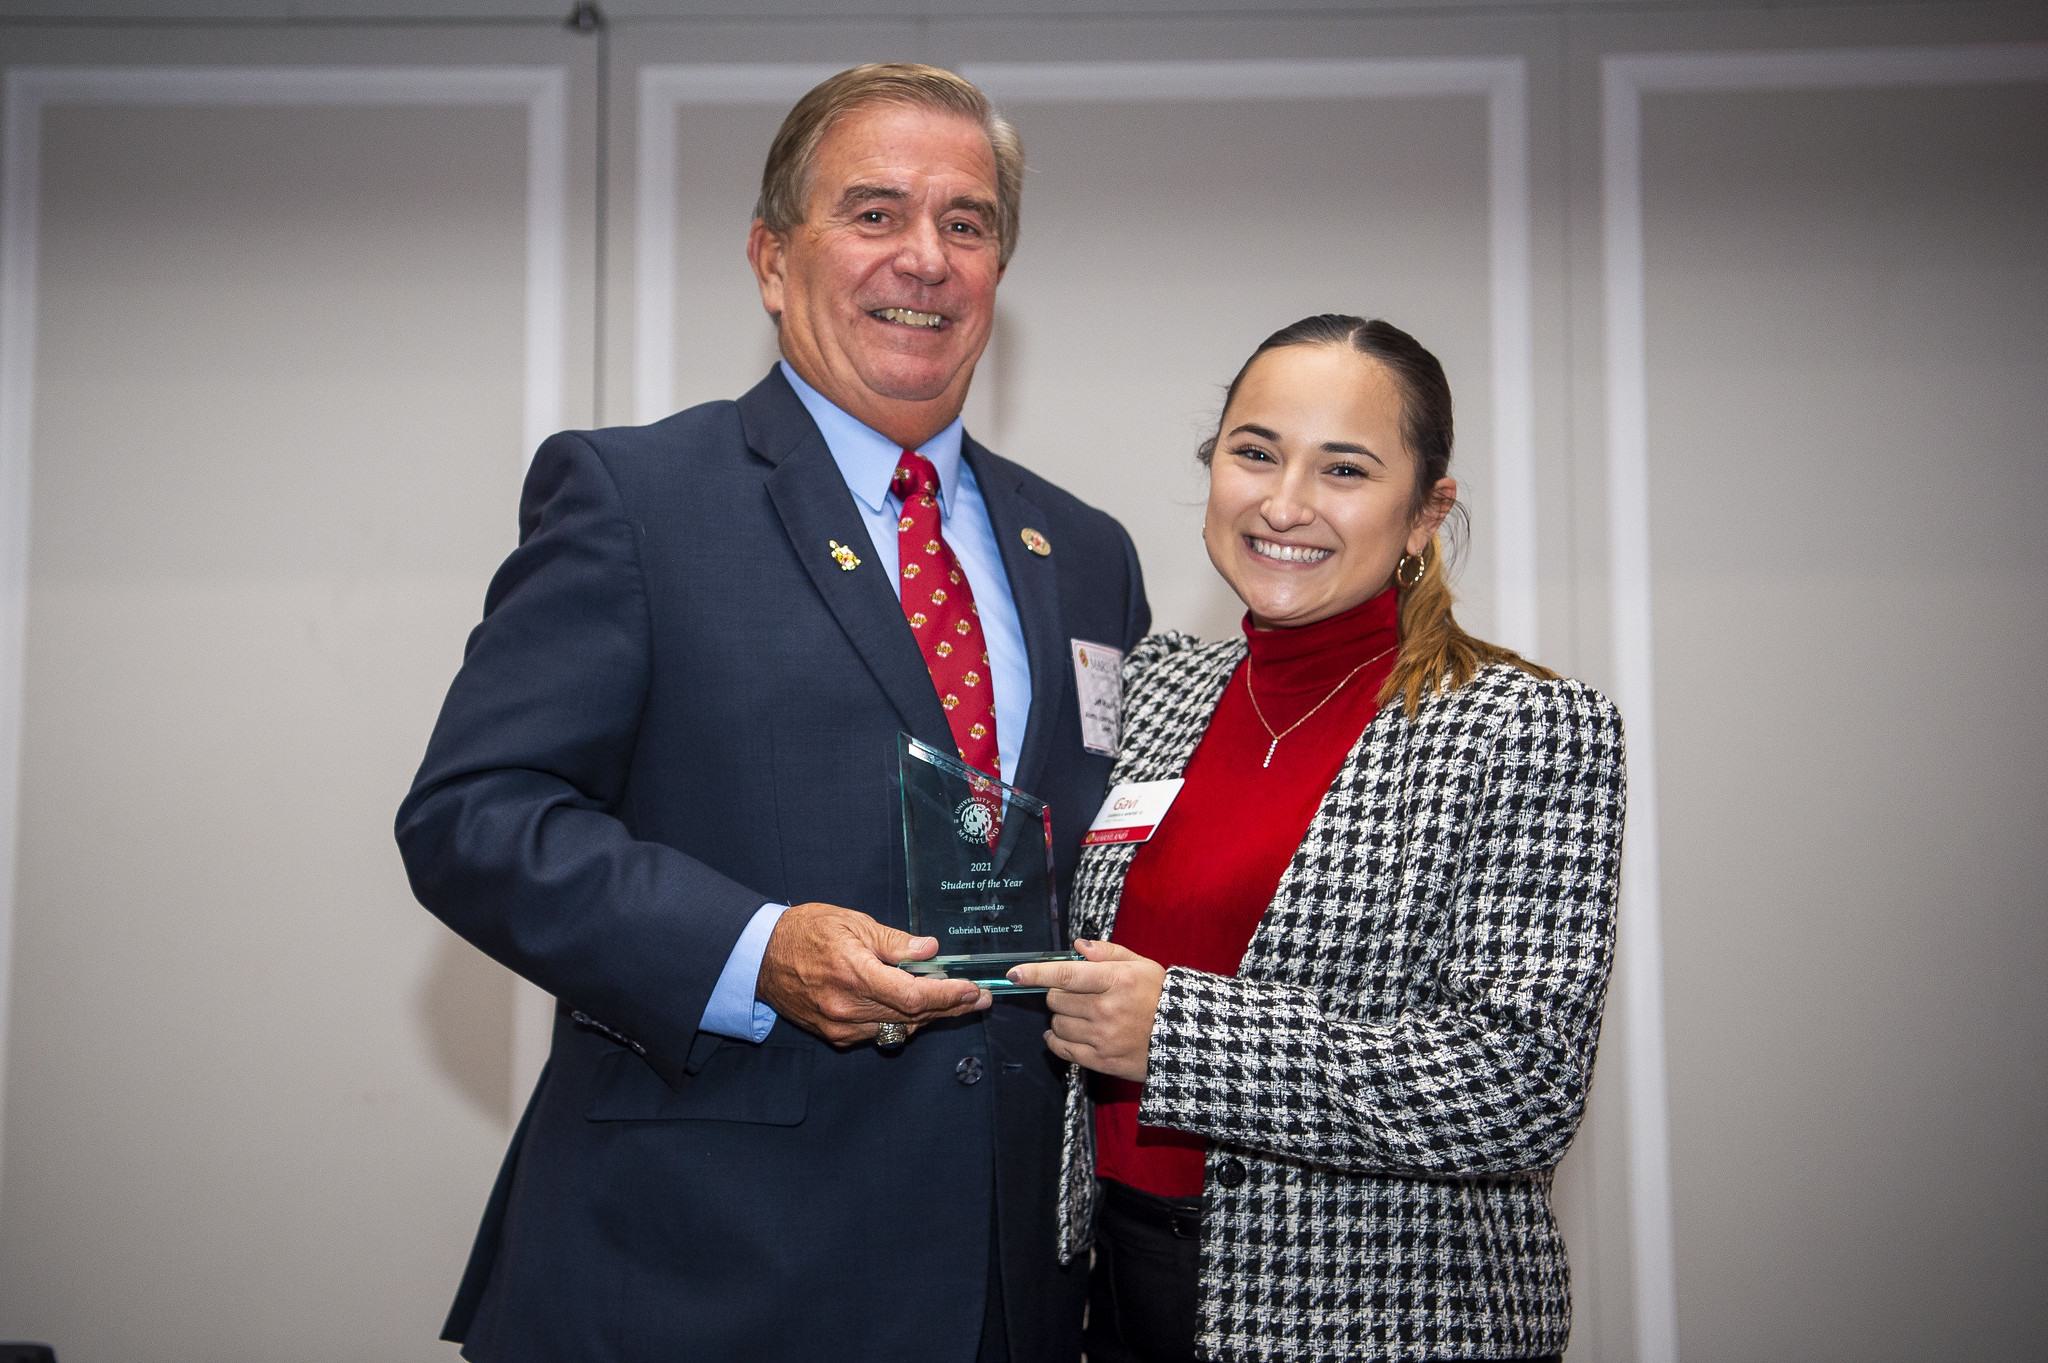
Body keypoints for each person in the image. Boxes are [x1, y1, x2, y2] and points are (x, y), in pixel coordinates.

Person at [396, 64, 1148, 1363]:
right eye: (874, 212)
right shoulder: (637, 497)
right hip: (698, 1274)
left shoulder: (1084, 549)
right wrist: (757, 949)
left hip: (1005, 1290)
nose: (926, 257)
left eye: (967, 223)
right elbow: (475, 816)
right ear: (769, 255)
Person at [1010, 315, 1625, 1363]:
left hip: (1373, 1312)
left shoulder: (1520, 726)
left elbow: (1519, 1083)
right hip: (1114, 1286)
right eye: (1255, 452)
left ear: (1426, 511)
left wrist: (1181, 1036)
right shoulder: (1154, 689)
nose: (1284, 503)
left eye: (1344, 468)